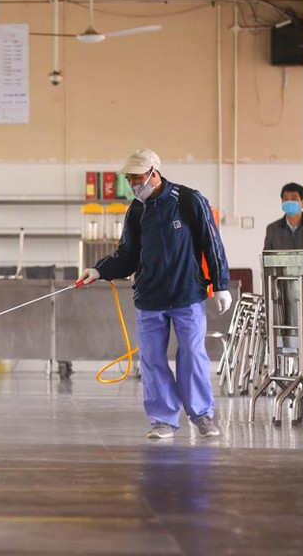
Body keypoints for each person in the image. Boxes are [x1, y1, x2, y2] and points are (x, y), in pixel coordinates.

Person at [77, 149, 232, 440]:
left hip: (188, 294)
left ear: (153, 173)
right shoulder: (137, 210)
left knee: (192, 354)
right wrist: (99, 270)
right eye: (129, 179)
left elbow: (212, 243)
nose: (133, 184)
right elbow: (127, 255)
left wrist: (221, 284)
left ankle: (202, 416)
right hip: (149, 297)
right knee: (152, 359)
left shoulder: (189, 201)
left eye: (136, 178)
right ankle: (163, 420)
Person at [263, 182, 303, 250]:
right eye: (286, 199)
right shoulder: (273, 229)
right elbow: (267, 257)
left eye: (294, 198)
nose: (289, 201)